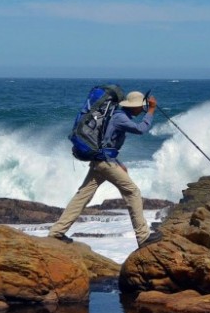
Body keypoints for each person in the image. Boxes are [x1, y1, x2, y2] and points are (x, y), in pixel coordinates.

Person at [49, 90, 162, 248]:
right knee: (133, 192)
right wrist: (151, 111)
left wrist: (118, 162)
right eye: (141, 106)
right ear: (133, 107)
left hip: (102, 161)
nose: (142, 109)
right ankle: (143, 237)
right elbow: (141, 129)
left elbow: (107, 142)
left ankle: (56, 232)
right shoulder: (120, 117)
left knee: (82, 196)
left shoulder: (117, 115)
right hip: (105, 163)